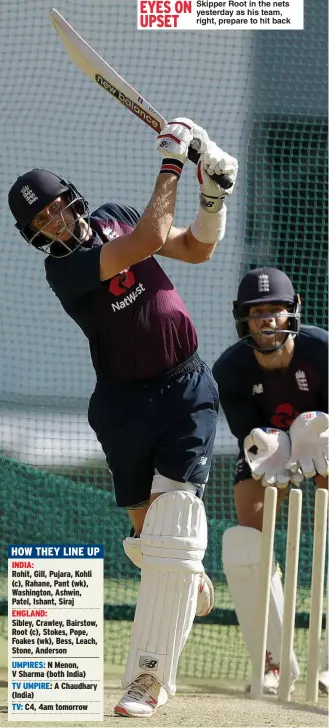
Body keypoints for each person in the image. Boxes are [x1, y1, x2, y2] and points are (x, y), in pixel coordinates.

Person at [8, 118, 238, 718]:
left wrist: (212, 197)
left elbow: (193, 247)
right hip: (122, 405)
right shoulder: (63, 271)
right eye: (41, 223)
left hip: (186, 384)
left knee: (175, 527)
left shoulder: (112, 213)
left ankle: (147, 681)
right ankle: (180, 570)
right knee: (147, 541)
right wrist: (172, 162)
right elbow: (147, 239)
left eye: (56, 208)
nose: (53, 223)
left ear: (71, 198)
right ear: (35, 236)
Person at [212, 267, 328, 696]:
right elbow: (250, 442)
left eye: (276, 310)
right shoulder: (230, 369)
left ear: (293, 311)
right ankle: (275, 661)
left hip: (324, 448)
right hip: (268, 455)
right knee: (243, 543)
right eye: (256, 312)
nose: (267, 320)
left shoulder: (322, 351)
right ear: (242, 317)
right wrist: (276, 459)